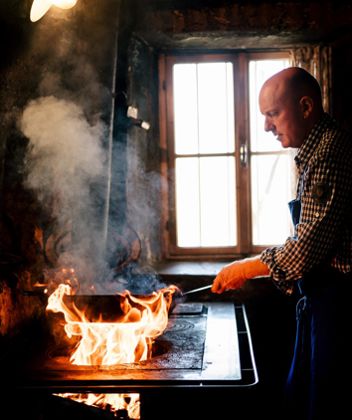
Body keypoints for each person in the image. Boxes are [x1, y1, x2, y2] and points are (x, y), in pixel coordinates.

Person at [211, 67, 352, 420]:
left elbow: (306, 249)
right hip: (321, 300)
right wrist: (250, 263)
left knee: (327, 406)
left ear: (306, 107)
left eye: (273, 114)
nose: (266, 127)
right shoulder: (316, 149)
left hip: (340, 303)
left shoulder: (328, 154)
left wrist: (245, 268)